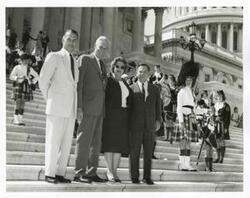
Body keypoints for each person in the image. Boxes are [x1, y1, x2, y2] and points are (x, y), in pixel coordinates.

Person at [39, 29, 79, 183]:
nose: (72, 43)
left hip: (70, 109)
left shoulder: (75, 61)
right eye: (69, 39)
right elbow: (43, 80)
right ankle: (49, 173)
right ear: (63, 39)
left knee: (66, 142)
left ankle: (60, 173)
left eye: (74, 40)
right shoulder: (54, 56)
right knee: (53, 140)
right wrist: (50, 99)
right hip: (56, 105)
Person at [74, 36, 110, 183]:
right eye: (100, 47)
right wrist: (79, 107)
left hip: (100, 108)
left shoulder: (103, 64)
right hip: (87, 107)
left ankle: (91, 172)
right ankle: (79, 172)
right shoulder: (85, 59)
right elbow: (79, 84)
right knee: (84, 140)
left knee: (96, 143)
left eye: (105, 48)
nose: (102, 50)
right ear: (95, 45)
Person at [129, 63, 161, 185]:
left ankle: (147, 177)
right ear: (137, 73)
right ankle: (134, 176)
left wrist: (158, 120)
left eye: (144, 71)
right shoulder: (131, 88)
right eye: (139, 71)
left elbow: (158, 106)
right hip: (135, 125)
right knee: (135, 152)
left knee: (148, 152)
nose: (141, 74)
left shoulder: (155, 89)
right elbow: (129, 108)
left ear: (148, 74)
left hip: (150, 125)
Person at [102, 57, 132, 183]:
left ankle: (114, 171)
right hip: (110, 115)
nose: (119, 69)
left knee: (118, 144)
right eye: (117, 66)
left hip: (123, 116)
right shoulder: (108, 81)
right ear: (113, 67)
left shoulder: (125, 83)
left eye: (121, 67)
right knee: (110, 143)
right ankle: (109, 170)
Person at [173, 61, 200, 171]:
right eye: (187, 79)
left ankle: (187, 164)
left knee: (188, 143)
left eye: (191, 79)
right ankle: (182, 164)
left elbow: (193, 107)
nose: (189, 81)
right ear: (184, 80)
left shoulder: (191, 92)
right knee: (183, 142)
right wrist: (181, 122)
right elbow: (179, 107)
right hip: (183, 117)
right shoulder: (181, 92)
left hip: (191, 117)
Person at [9, 53, 39, 125]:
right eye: (24, 60)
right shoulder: (17, 67)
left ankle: (20, 119)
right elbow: (11, 76)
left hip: (26, 86)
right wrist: (18, 78)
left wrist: (32, 82)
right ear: (21, 60)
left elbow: (37, 76)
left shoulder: (29, 68)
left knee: (23, 103)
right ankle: (15, 119)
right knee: (18, 102)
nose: (25, 61)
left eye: (27, 60)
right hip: (19, 85)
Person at [213, 90, 231, 164]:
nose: (219, 97)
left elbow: (228, 117)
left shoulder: (226, 105)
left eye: (220, 96)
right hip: (216, 125)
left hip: (223, 125)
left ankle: (221, 158)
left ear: (223, 96)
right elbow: (213, 114)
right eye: (218, 96)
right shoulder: (216, 105)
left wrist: (226, 127)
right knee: (217, 141)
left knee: (222, 141)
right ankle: (217, 157)